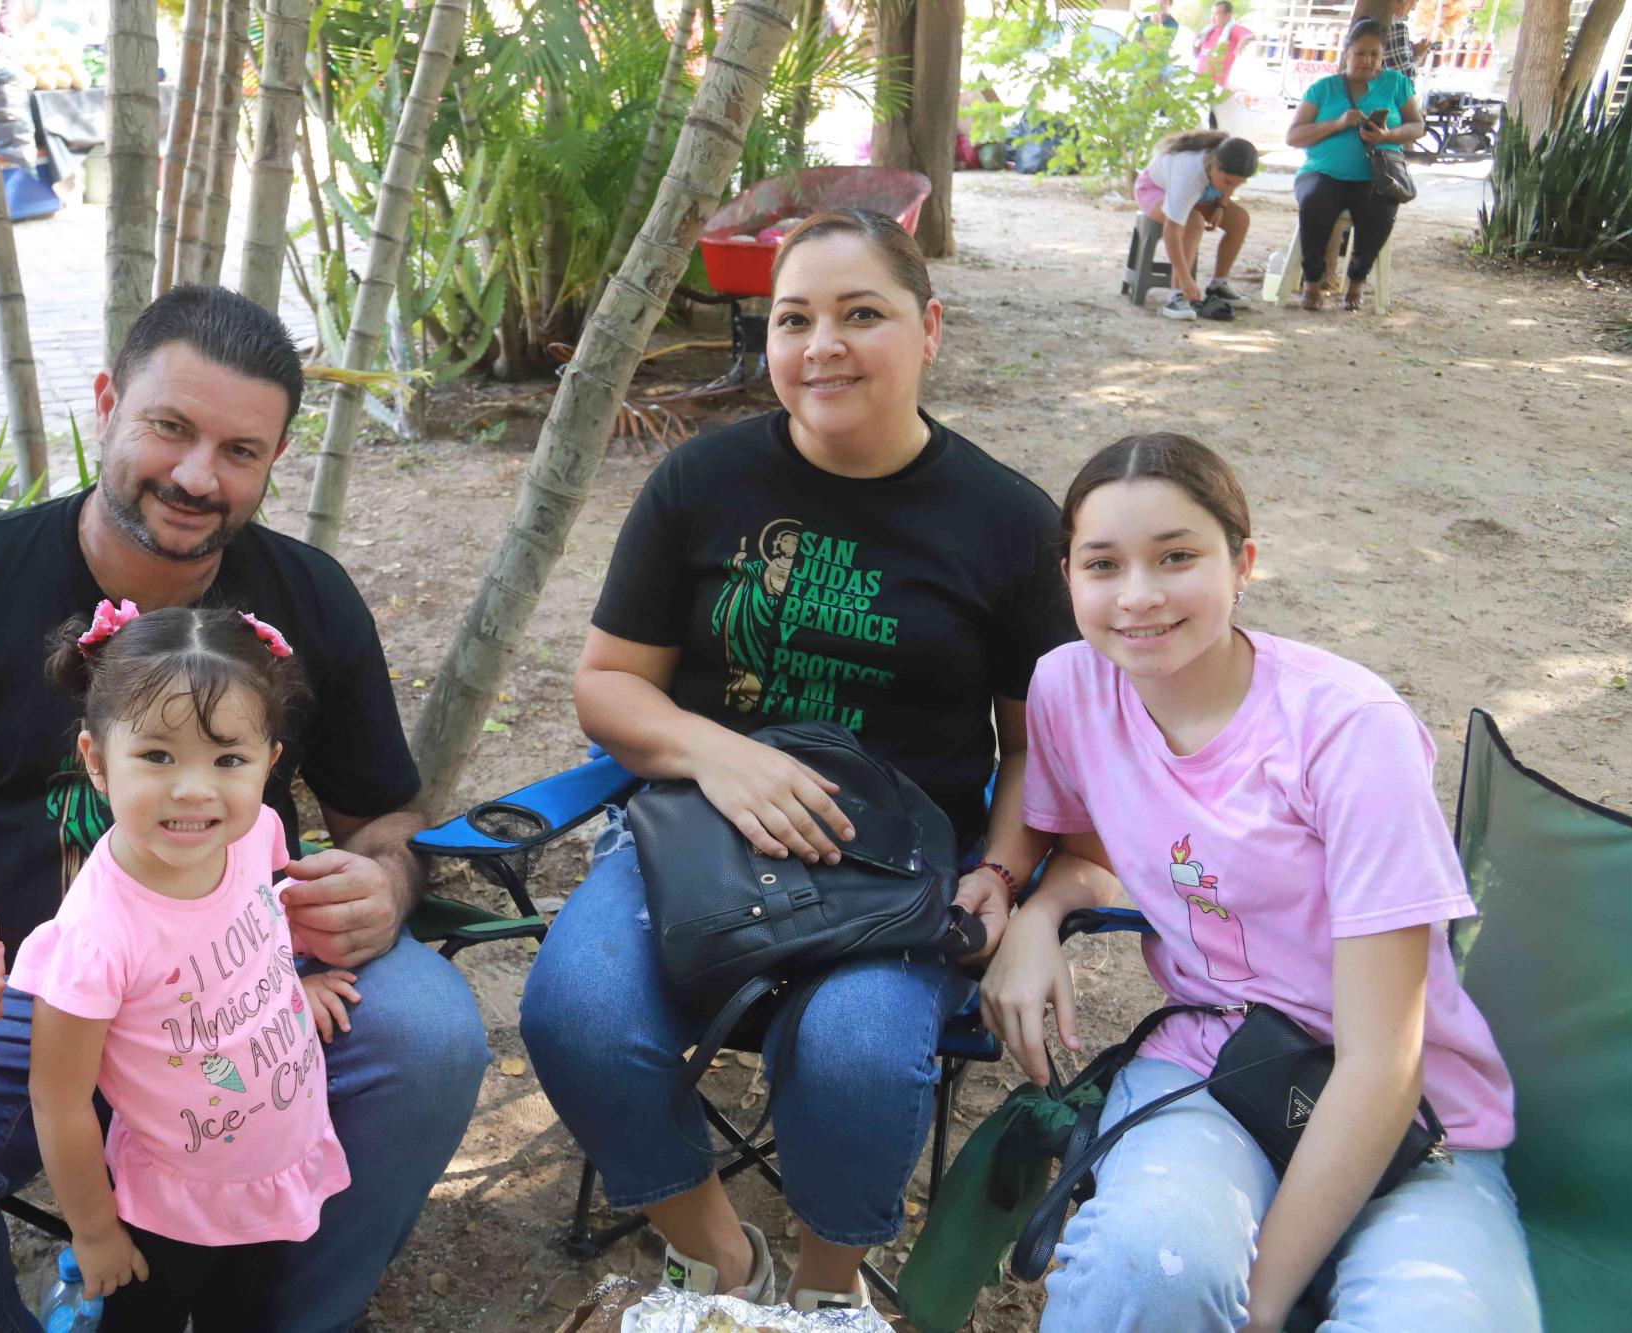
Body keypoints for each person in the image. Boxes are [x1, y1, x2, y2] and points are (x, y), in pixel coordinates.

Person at [0, 285, 488, 1331]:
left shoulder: (310, 597)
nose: (200, 475)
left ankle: (292, 1315)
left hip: (238, 983)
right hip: (13, 997)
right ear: (108, 401)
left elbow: (386, 819)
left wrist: (383, 882)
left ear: (274, 460)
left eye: (240, 450)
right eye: (170, 426)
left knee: (432, 1036)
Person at [518, 209, 1077, 1313]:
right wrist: (720, 757)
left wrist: (1006, 875)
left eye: (859, 313)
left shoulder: (1007, 523)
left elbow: (1037, 748)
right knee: (576, 1012)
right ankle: (721, 1264)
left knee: (857, 1056)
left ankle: (827, 1294)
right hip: (696, 840)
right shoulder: (700, 482)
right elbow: (609, 683)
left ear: (928, 329)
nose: (820, 343)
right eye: (792, 318)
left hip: (896, 864)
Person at [980, 433, 1542, 1332]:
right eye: (1103, 564)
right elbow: (1098, 851)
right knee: (1143, 1269)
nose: (1139, 596)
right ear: (1068, 578)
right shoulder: (1070, 688)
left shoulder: (1349, 731)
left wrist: (1264, 1300)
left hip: (1411, 1112)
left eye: (1177, 556)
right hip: (1211, 1069)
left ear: (1242, 563)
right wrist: (1039, 910)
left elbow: (1381, 1062)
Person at [12, 603, 364, 1326]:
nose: (194, 788)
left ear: (268, 765)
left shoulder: (255, 832)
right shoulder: (97, 935)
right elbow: (59, 1100)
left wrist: (294, 978)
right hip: (167, 1207)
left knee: (250, 1308)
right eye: (158, 755)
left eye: (227, 758)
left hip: (275, 1169)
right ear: (97, 761)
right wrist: (95, 1230)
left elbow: (257, 919)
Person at [1285, 18, 1424, 311]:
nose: (1368, 61)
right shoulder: (1324, 88)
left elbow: (1416, 127)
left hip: (1376, 174)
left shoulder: (1397, 83)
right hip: (1322, 171)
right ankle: (1312, 281)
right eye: (1360, 53)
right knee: (1315, 204)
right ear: (1346, 54)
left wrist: (1388, 135)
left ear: (1382, 55)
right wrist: (1337, 124)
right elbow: (1293, 137)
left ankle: (1357, 281)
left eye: (1374, 54)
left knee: (1381, 211)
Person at [1133, 131, 1259, 320]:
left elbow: (1229, 184)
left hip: (1200, 193)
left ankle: (1218, 285)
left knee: (1240, 220)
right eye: (1227, 182)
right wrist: (1185, 277)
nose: (1229, 188)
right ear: (1214, 164)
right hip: (1155, 190)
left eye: (1236, 184)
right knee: (1193, 221)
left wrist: (1221, 206)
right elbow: (1172, 229)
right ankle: (1176, 296)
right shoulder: (1188, 173)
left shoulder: (1226, 160)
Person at [1193, 1, 1252, 89]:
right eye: (1211, 14)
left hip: (1216, 90)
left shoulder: (1234, 30)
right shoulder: (1207, 31)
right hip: (1197, 85)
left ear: (1227, 16)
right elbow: (1197, 55)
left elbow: (1250, 35)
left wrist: (1243, 41)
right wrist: (1194, 43)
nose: (1212, 18)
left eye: (1216, 14)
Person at [1385, 0, 1434, 77]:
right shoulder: (1396, 27)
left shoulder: (1370, 17)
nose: (1413, 8)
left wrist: (1410, 52)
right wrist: (1418, 55)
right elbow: (1405, 77)